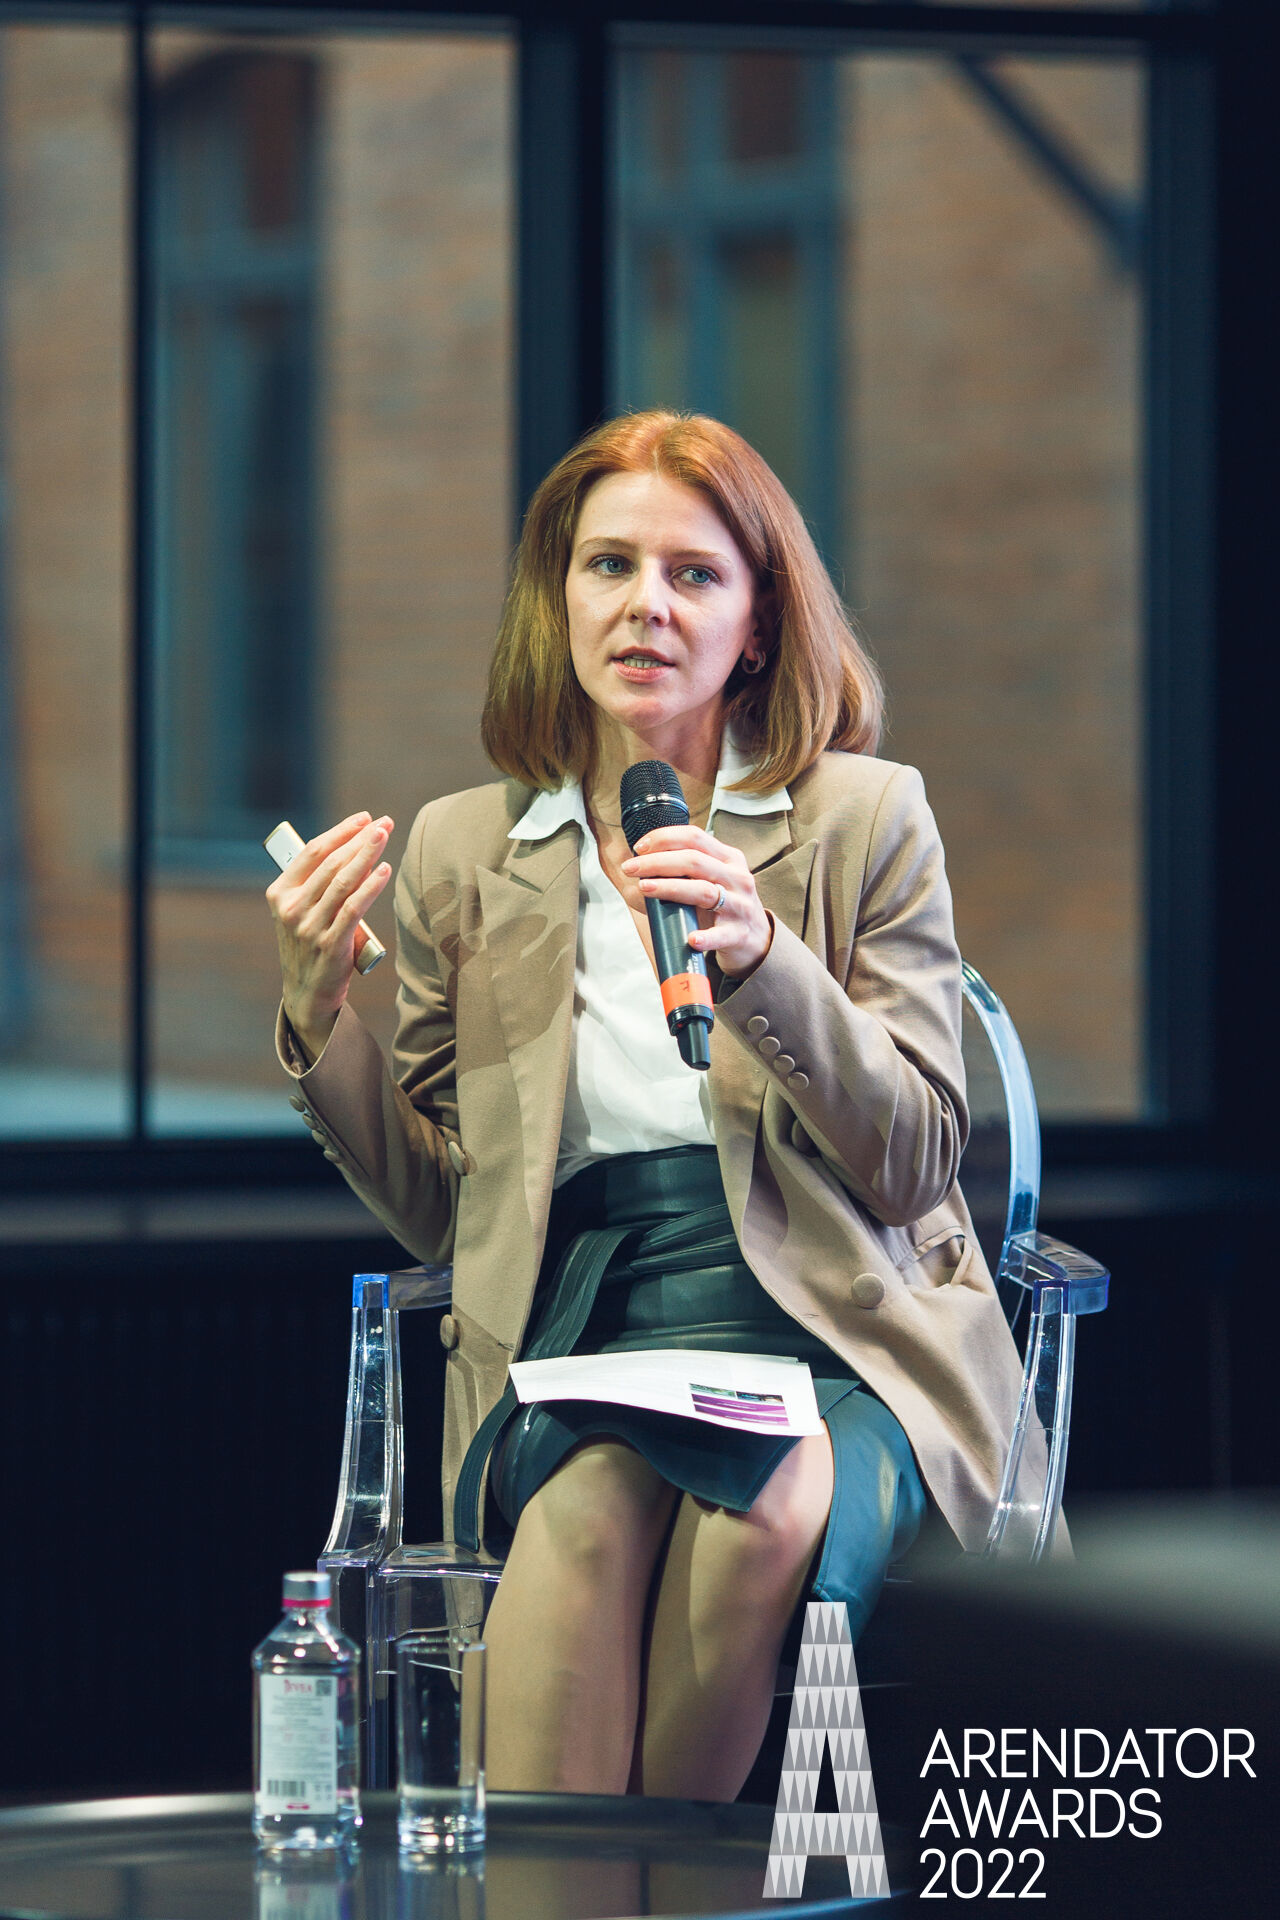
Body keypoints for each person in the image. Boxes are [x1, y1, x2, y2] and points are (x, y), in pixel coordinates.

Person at [267, 410, 1028, 1802]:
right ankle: (594, 1889)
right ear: (557, 599)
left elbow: (917, 1161)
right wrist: (323, 1022)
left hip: (831, 1320)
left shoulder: (863, 819)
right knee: (587, 1525)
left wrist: (763, 962)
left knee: (767, 1512)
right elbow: (448, 1209)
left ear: (757, 623)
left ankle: (651, 1888)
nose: (645, 606)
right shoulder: (466, 850)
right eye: (609, 565)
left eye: (694, 574)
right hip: (588, 1324)